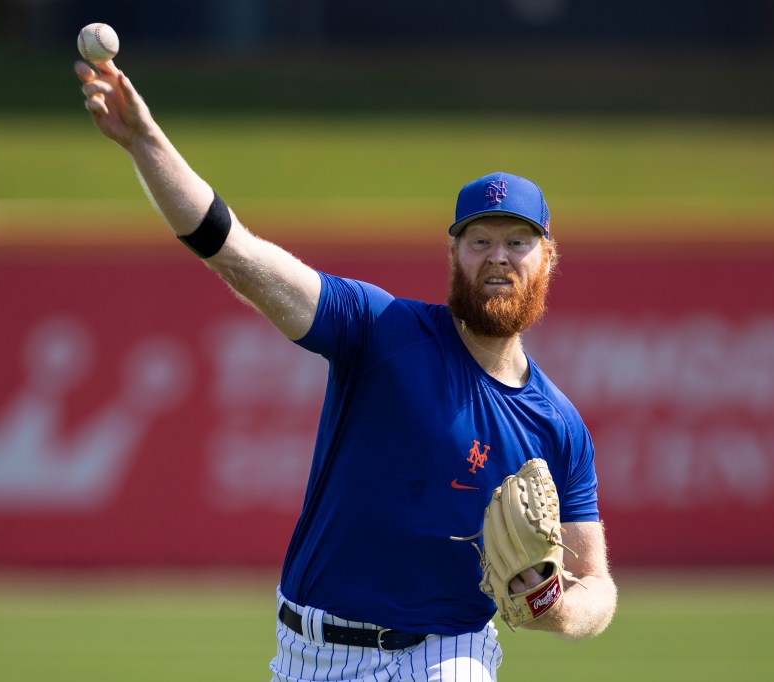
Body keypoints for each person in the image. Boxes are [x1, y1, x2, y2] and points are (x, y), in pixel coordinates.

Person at [75, 57, 617, 682]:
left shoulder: (558, 426)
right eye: (480, 240)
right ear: (453, 254)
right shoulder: (380, 330)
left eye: (517, 242)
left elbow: (596, 586)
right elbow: (237, 254)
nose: (498, 257)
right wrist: (146, 144)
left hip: (445, 654)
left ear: (547, 256)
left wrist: (554, 606)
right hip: (307, 652)